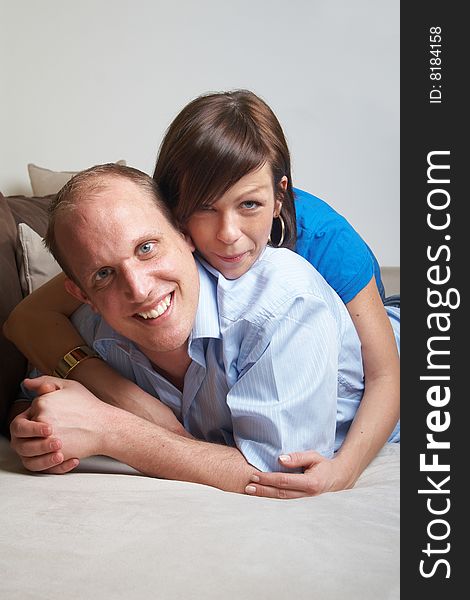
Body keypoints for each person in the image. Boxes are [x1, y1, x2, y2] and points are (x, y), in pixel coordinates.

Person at [5, 90, 400, 496]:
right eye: (205, 209)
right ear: (180, 217)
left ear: (278, 197)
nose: (228, 236)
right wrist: (39, 428)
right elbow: (32, 332)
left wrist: (346, 469)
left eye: (146, 247)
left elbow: (385, 376)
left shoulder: (303, 270)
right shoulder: (116, 283)